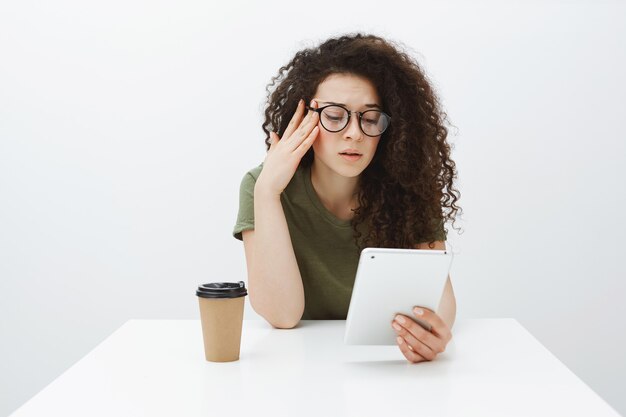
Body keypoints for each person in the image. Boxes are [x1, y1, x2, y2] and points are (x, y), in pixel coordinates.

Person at [233, 33, 462, 363]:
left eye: (369, 118)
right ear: (304, 118)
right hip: (296, 366)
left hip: (383, 365)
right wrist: (268, 192)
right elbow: (282, 315)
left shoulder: (411, 189)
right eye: (335, 115)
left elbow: (441, 309)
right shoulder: (261, 185)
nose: (354, 133)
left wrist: (429, 336)